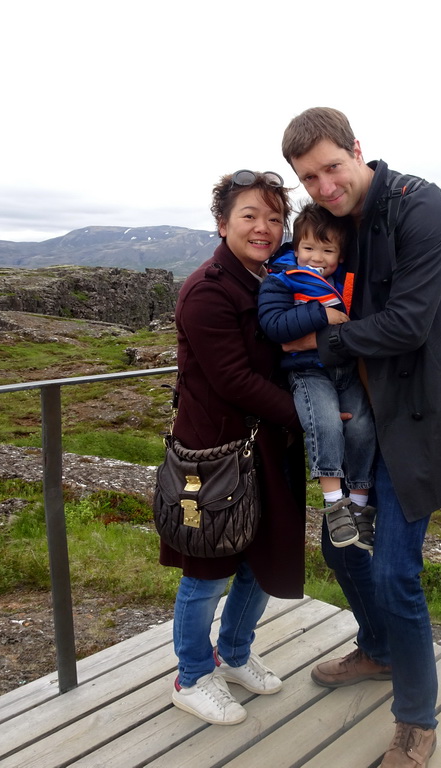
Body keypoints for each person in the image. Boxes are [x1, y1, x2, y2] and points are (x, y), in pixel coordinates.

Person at [280, 108, 441, 766]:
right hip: (365, 420)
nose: (324, 185)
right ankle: (379, 648)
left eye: (331, 167)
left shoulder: (420, 206)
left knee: (394, 568)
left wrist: (319, 341)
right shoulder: (335, 222)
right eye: (308, 178)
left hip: (421, 419)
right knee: (342, 543)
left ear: (357, 149)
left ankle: (417, 722)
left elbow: (408, 324)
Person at [159, 169, 306, 726]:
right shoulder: (207, 290)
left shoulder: (269, 278)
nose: (264, 227)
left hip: (264, 448)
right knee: (208, 568)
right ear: (223, 224)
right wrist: (310, 420)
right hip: (213, 456)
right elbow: (233, 379)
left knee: (261, 558)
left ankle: (236, 654)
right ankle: (192, 674)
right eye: (250, 215)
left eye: (274, 217)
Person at [258, 202, 377, 551]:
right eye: (309, 248)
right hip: (307, 372)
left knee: (362, 427)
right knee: (325, 423)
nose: (317, 257)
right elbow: (275, 327)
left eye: (328, 250)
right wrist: (322, 314)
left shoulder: (347, 283)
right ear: (296, 250)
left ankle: (358, 506)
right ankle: (333, 502)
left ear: (340, 256)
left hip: (344, 370)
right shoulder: (280, 282)